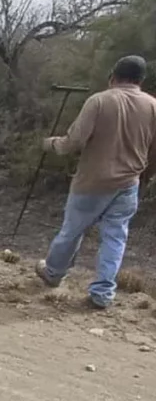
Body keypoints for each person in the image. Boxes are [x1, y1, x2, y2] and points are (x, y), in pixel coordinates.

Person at [35, 56, 156, 309]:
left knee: (72, 230)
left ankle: (54, 272)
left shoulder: (99, 100)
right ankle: (102, 293)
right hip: (129, 184)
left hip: (92, 181)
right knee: (115, 237)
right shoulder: (153, 106)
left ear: (113, 76)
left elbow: (74, 141)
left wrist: (51, 144)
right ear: (141, 80)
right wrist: (144, 175)